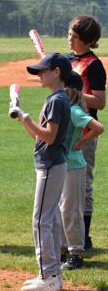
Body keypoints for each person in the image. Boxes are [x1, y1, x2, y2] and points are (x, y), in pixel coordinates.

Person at [9, 53, 72, 291]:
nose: (39, 75)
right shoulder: (56, 98)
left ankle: (48, 276)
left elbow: (49, 136)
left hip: (50, 165)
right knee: (50, 220)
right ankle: (52, 273)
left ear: (56, 72)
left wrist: (24, 117)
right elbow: (39, 136)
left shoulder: (57, 100)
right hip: (51, 163)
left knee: (41, 220)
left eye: (43, 71)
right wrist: (23, 119)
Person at [56, 73, 104, 271]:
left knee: (70, 210)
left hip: (74, 166)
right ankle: (62, 251)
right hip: (61, 165)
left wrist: (81, 142)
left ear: (71, 91)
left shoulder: (74, 111)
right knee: (60, 210)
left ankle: (75, 253)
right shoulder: (63, 108)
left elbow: (98, 127)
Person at [67, 16, 105, 251]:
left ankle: (85, 237)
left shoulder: (93, 65)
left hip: (86, 131)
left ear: (88, 41)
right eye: (69, 34)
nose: (69, 39)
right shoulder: (69, 61)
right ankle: (69, 236)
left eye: (75, 36)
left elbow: (100, 102)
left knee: (84, 183)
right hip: (66, 129)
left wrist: (74, 93)